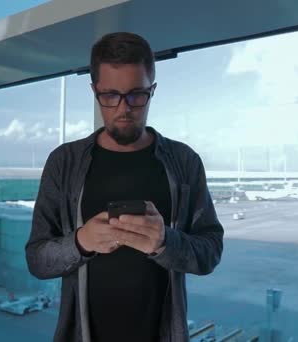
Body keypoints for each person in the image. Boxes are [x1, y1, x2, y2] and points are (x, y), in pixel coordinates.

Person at [25, 32, 224, 342]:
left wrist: (164, 242)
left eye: (136, 95)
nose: (123, 108)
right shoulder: (63, 162)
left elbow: (210, 251)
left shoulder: (184, 161)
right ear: (95, 91)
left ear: (152, 91)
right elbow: (37, 259)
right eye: (110, 96)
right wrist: (80, 241)